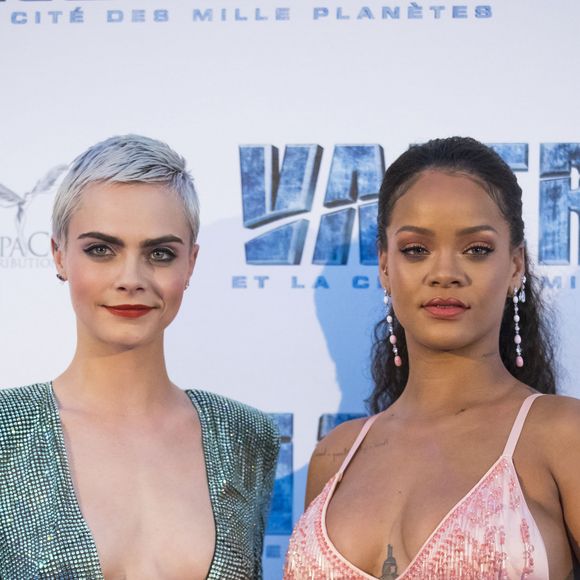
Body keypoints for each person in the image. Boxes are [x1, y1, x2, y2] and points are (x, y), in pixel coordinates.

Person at [284, 137, 580, 579]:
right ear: (385, 265)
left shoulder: (562, 436)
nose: (444, 273)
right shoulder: (335, 455)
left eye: (476, 249)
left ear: (516, 265)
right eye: (416, 249)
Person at [0, 135, 280, 579]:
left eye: (160, 253)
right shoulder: (4, 431)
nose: (131, 278)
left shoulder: (248, 436)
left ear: (190, 263)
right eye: (101, 250)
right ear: (58, 255)